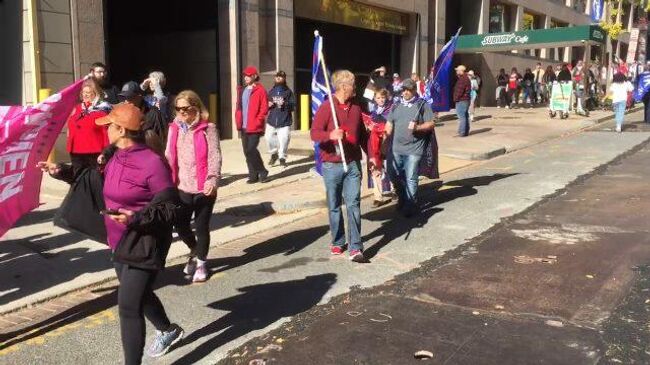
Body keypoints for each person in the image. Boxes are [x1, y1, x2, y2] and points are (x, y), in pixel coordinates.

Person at [101, 104, 183, 363]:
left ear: (121, 129)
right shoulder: (115, 155)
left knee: (128, 306)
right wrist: (64, 172)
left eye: (109, 126)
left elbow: (171, 208)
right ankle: (169, 330)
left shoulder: (152, 163)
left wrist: (135, 218)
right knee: (141, 294)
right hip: (119, 242)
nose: (106, 131)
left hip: (145, 242)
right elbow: (102, 186)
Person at [165, 90, 222, 283]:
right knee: (180, 225)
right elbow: (168, 157)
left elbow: (215, 157)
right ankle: (195, 250)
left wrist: (212, 180)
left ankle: (201, 263)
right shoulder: (174, 128)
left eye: (185, 109)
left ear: (196, 107)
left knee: (201, 226)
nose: (181, 112)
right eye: (178, 108)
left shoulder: (208, 128)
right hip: (181, 186)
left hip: (203, 187)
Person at [310, 70, 365, 263]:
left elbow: (363, 135)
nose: (355, 88)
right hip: (332, 165)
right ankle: (338, 240)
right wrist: (330, 135)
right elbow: (314, 133)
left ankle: (356, 247)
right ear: (343, 87)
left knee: (354, 204)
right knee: (334, 206)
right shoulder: (327, 107)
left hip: (352, 164)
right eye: (353, 85)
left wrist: (374, 158)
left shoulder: (356, 107)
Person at [385, 79, 436, 217]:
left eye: (408, 89)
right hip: (396, 148)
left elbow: (431, 124)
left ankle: (410, 204)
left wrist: (418, 127)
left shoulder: (422, 105)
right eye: (403, 90)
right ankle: (402, 196)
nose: (405, 92)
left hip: (414, 149)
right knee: (393, 174)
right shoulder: (395, 105)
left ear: (414, 90)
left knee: (411, 177)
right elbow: (389, 123)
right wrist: (384, 136)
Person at [66, 79, 111, 177]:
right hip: (76, 151)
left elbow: (106, 134)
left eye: (88, 93)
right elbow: (70, 127)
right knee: (78, 180)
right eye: (83, 92)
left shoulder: (103, 109)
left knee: (95, 180)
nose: (85, 95)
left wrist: (105, 153)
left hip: (94, 152)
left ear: (95, 94)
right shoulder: (77, 108)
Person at [235, 66, 269, 184]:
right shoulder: (242, 90)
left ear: (254, 76)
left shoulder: (260, 90)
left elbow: (264, 108)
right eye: (245, 76)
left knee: (251, 150)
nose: (246, 78)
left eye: (248, 76)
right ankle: (253, 175)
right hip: (243, 126)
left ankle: (263, 171)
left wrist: (258, 119)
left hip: (255, 126)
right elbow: (239, 107)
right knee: (246, 152)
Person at [362, 88, 392, 208]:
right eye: (378, 98)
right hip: (374, 143)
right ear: (374, 99)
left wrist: (384, 129)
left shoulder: (391, 109)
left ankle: (395, 189)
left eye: (383, 98)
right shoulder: (372, 111)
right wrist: (369, 126)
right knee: (375, 167)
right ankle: (378, 196)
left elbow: (392, 126)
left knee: (390, 166)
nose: (380, 100)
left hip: (388, 141)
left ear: (386, 98)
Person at [118, 81, 168, 150]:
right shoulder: (123, 115)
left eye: (129, 97)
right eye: (123, 98)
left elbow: (163, 138)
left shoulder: (154, 114)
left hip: (149, 154)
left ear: (139, 97)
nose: (126, 101)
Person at [265, 70, 295, 168]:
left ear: (284, 79)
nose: (278, 78)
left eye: (281, 77)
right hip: (272, 120)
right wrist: (268, 105)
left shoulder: (288, 92)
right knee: (268, 138)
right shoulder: (271, 91)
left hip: (284, 121)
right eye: (277, 76)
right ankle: (274, 154)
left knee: (284, 140)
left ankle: (282, 158)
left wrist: (285, 104)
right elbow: (266, 104)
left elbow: (293, 106)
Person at [453, 65, 471, 137]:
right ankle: (465, 131)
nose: (456, 72)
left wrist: (455, 99)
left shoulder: (462, 79)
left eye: (457, 70)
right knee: (465, 116)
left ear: (461, 71)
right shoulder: (465, 78)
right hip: (465, 100)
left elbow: (459, 91)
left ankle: (462, 132)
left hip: (462, 100)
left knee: (461, 117)